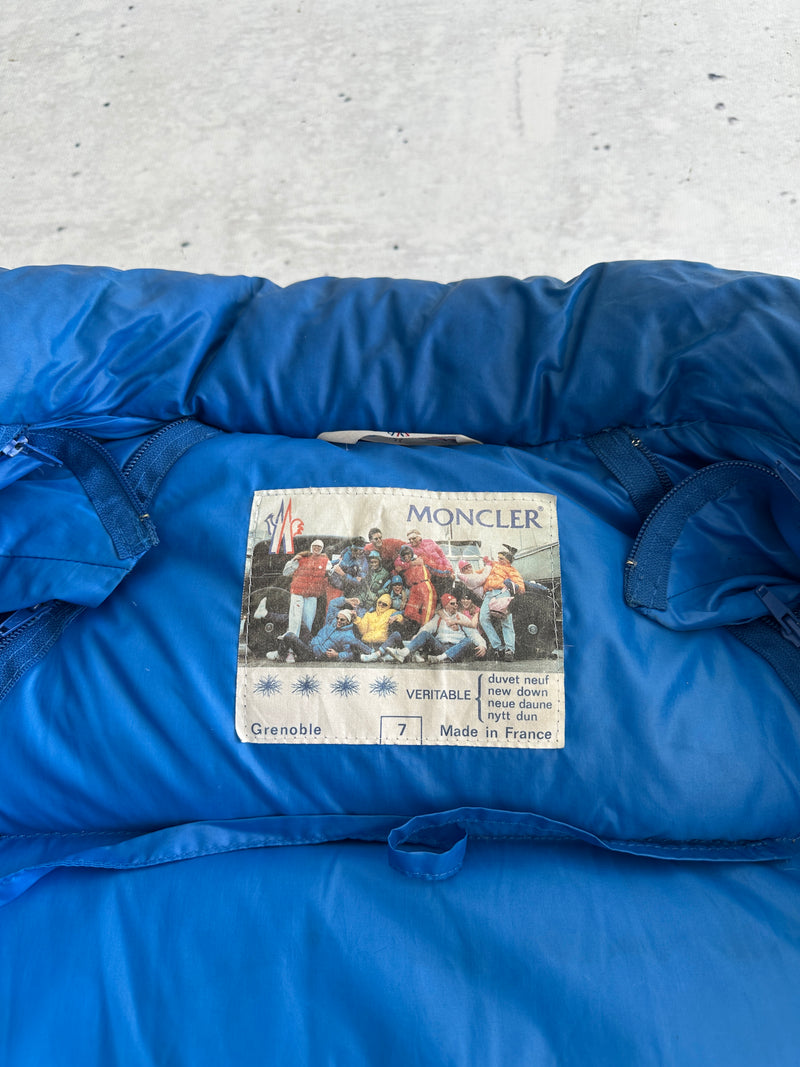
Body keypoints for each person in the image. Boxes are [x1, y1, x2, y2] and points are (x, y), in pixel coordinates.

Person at [386, 593, 484, 663]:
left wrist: (482, 645)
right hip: (441, 646)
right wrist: (417, 635)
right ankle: (404, 652)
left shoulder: (461, 617)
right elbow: (427, 627)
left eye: (456, 603)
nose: (456, 605)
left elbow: (473, 633)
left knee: (468, 640)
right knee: (424, 634)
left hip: (456, 647)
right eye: (452, 604)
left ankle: (440, 658)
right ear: (445, 606)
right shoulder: (439, 617)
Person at [274, 598, 373, 662]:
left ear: (348, 621)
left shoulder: (348, 635)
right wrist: (347, 600)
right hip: (311, 641)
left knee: (290, 636)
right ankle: (268, 616)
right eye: (338, 618)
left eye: (342, 620)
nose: (338, 621)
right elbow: (333, 603)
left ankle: (280, 654)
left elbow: (350, 654)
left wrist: (337, 655)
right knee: (297, 620)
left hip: (312, 654)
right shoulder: (332, 621)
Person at [479, 549, 525, 661]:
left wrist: (515, 586)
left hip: (502, 592)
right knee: (483, 618)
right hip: (488, 594)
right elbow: (479, 573)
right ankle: (498, 647)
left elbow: (520, 586)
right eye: (498, 558)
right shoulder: (492, 566)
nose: (499, 560)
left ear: (508, 560)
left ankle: (509, 650)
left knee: (506, 620)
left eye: (501, 558)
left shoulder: (511, 570)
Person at [281, 539, 329, 636]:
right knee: (295, 618)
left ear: (322, 548)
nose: (317, 548)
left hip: (312, 595)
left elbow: (332, 571)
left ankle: (304, 641)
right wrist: (293, 560)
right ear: (311, 546)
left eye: (319, 547)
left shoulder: (325, 561)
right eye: (315, 546)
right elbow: (285, 573)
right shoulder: (301, 558)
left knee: (308, 619)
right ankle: (292, 640)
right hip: (297, 593)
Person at [393, 543, 436, 627]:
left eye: (408, 554)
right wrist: (409, 564)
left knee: (427, 612)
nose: (406, 556)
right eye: (404, 555)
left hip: (424, 584)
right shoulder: (402, 564)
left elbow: (424, 562)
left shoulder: (419, 558)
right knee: (409, 612)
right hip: (413, 588)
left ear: (412, 553)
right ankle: (425, 625)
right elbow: (397, 565)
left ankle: (425, 627)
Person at [406, 529, 453, 595]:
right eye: (409, 539)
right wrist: (412, 563)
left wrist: (450, 569)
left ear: (419, 537)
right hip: (429, 576)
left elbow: (442, 556)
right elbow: (401, 561)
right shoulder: (408, 548)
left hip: (442, 572)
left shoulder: (430, 542)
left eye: (413, 538)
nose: (411, 541)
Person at [356, 594, 404, 658]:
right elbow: (362, 631)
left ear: (389, 606)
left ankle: (375, 655)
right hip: (367, 642)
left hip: (382, 642)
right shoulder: (369, 614)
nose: (381, 605)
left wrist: (396, 617)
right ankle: (376, 655)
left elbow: (401, 618)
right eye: (380, 602)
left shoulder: (391, 612)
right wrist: (356, 619)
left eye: (384, 604)